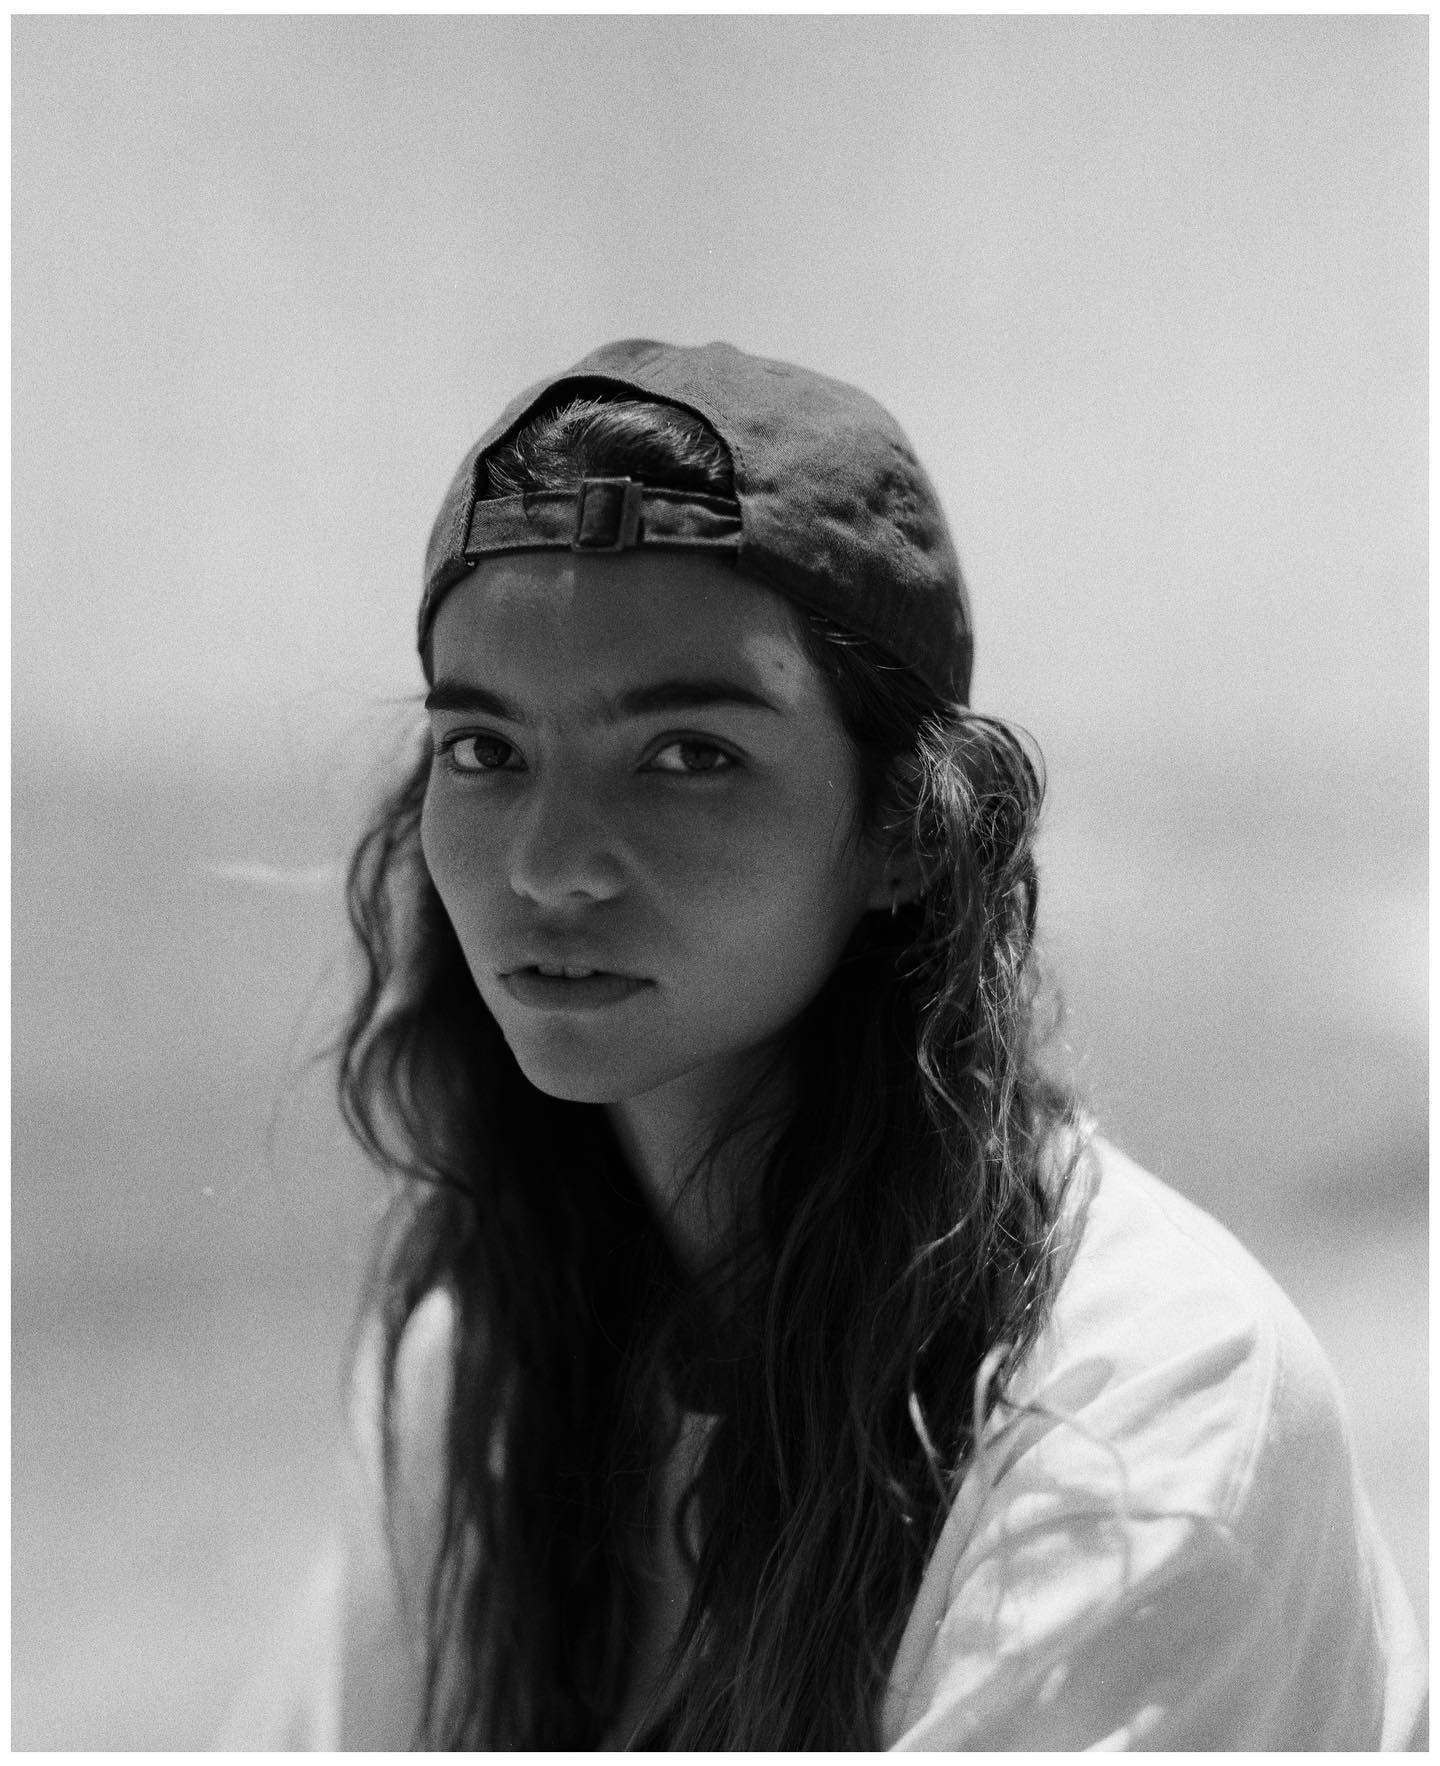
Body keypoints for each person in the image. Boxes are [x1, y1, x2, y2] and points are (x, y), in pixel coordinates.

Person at [226, 339, 1425, 1750]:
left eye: (688, 754)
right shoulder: (474, 1370)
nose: (548, 863)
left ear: (909, 830)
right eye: (486, 750)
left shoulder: (1148, 1409)